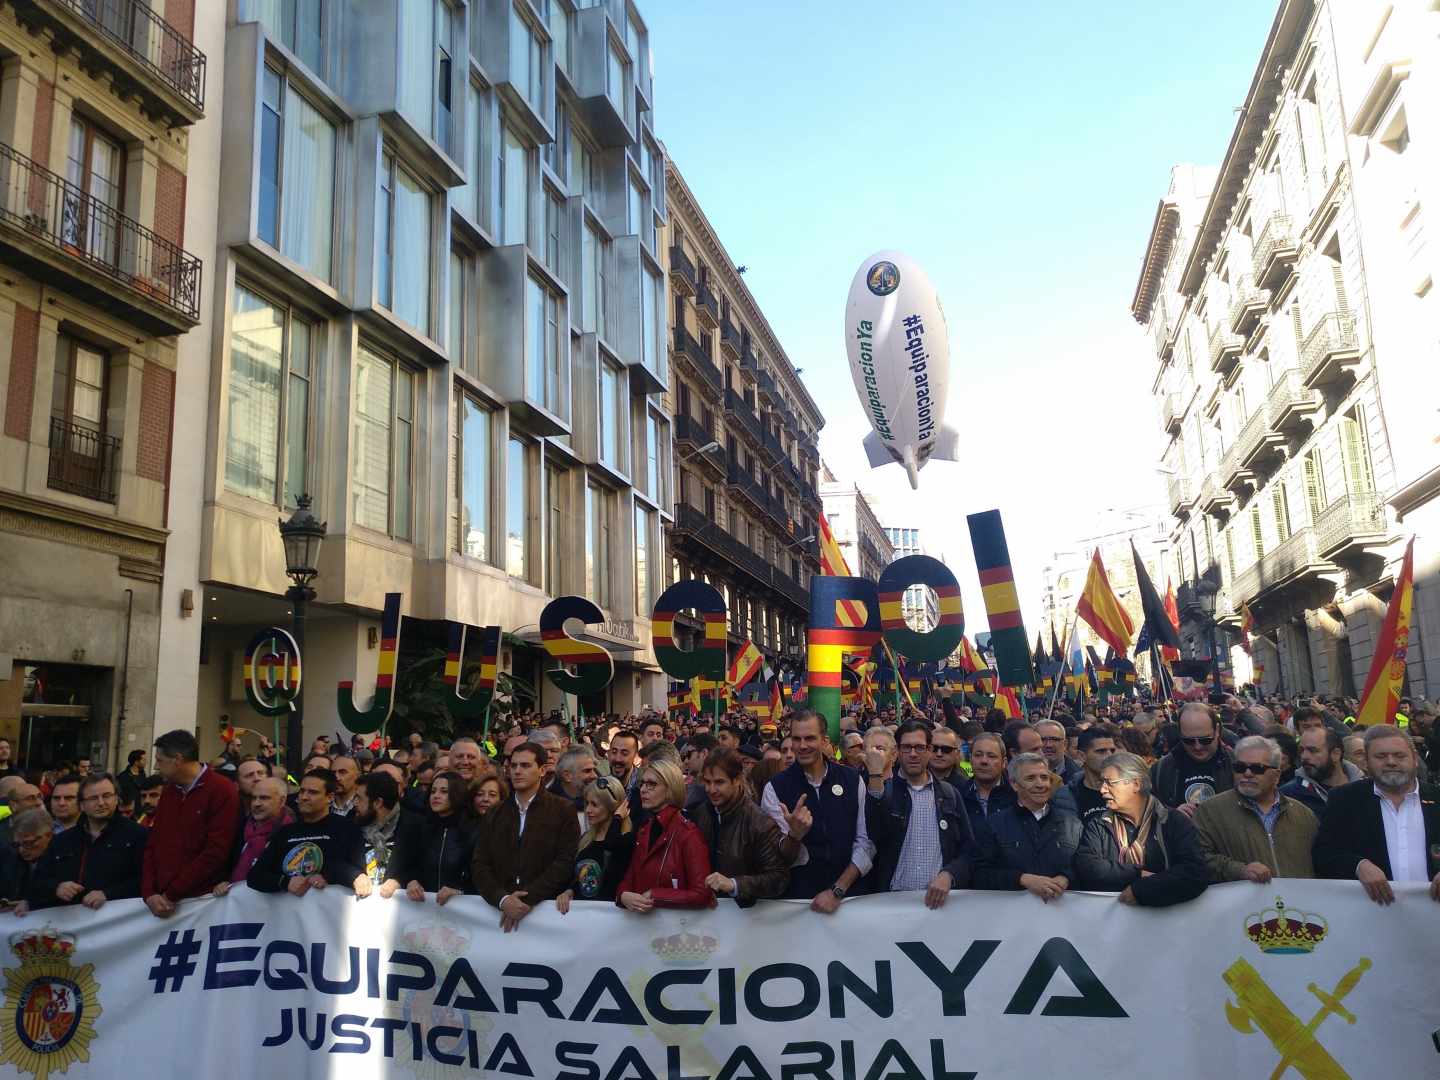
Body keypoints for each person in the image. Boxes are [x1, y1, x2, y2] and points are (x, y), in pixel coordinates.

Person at [1313, 724, 1440, 904]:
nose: (1391, 762)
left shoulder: (1437, 798)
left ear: (1415, 760)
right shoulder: (1344, 800)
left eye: (1399, 755)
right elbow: (1323, 854)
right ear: (1365, 762)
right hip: (1372, 916)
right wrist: (1358, 866)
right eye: (1381, 756)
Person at [761, 712, 874, 912]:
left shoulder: (852, 779)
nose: (802, 746)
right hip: (798, 903)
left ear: (824, 741)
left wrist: (837, 890)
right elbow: (777, 858)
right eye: (797, 739)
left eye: (810, 738)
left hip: (850, 899)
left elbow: (865, 841)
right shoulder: (775, 788)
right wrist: (794, 836)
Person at [866, 721, 982, 908]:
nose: (913, 754)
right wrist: (875, 779)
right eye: (906, 747)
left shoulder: (949, 794)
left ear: (929, 750)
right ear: (897, 752)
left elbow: (969, 850)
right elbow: (873, 837)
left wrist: (949, 874)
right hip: (892, 903)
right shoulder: (883, 793)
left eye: (919, 747)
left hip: (940, 904)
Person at [1073, 751, 1209, 907]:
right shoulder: (1099, 824)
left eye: (1109, 782)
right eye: (1102, 783)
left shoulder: (1173, 821)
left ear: (1136, 784)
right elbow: (1088, 866)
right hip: (1115, 924)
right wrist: (1136, 874)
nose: (1102, 790)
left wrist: (1141, 889)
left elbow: (1194, 873)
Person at [470, 743, 579, 931]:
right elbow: (480, 862)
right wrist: (502, 899)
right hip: (496, 913)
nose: (517, 771)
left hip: (546, 914)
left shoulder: (563, 810)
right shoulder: (495, 812)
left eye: (525, 765)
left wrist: (527, 899)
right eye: (513, 766)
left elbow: (565, 861)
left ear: (542, 770)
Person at [142, 729, 241, 917]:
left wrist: (172, 893)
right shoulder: (170, 791)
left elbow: (216, 851)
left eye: (160, 760)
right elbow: (153, 844)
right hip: (162, 900)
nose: (155, 766)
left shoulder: (221, 790)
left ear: (177, 760)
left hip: (200, 903)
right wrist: (149, 893)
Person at [1192, 736, 1317, 884]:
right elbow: (1196, 858)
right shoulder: (1210, 811)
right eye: (1240, 767)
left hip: (1296, 905)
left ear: (1276, 776)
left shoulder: (1303, 815)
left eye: (1258, 768)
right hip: (1243, 906)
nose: (1247, 773)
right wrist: (1238, 870)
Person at [28, 774, 146, 911]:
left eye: (107, 796)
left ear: (116, 799)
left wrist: (108, 894)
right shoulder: (62, 841)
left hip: (118, 923)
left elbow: (146, 880)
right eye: (93, 798)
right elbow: (38, 881)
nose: (101, 803)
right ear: (82, 805)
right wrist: (57, 887)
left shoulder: (138, 835)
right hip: (71, 924)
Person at [974, 752, 1081, 901]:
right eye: (1031, 778)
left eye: (1044, 778)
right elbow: (979, 873)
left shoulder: (1072, 824)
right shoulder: (995, 824)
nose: (1040, 784)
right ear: (1014, 784)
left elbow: (1082, 865)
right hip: (1011, 918)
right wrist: (1022, 879)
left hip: (1061, 918)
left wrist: (1066, 877)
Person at [247, 769, 368, 896]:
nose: (304, 797)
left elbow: (358, 873)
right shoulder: (285, 832)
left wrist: (329, 876)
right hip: (287, 913)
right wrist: (285, 882)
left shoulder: (347, 828)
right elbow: (255, 876)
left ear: (330, 797)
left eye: (313, 792)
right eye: (302, 791)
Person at [693, 748, 788, 906]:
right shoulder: (700, 813)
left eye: (719, 782)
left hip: (747, 920)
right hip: (706, 916)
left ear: (736, 780)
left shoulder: (760, 823)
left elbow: (778, 878)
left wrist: (734, 884)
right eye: (707, 782)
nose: (711, 789)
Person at [616, 759, 712, 911]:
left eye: (651, 784)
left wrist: (656, 895)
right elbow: (630, 877)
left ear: (670, 789)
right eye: (642, 783)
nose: (643, 789)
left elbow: (702, 894)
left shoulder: (688, 834)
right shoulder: (645, 829)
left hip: (677, 930)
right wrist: (622, 895)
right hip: (641, 928)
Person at [381, 770, 476, 905]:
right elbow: (410, 866)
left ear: (457, 794)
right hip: (424, 908)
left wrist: (460, 891)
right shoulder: (421, 828)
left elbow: (478, 876)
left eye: (444, 791)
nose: (436, 796)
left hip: (461, 910)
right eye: (433, 791)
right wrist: (411, 880)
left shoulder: (472, 830)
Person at [556, 775, 634, 911]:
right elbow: (581, 877)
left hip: (611, 919)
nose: (588, 810)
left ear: (612, 807)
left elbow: (611, 845)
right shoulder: (587, 839)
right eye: (587, 803)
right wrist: (569, 891)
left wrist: (617, 818)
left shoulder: (626, 838)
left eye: (595, 805)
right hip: (584, 916)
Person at [1150, 703, 1234, 813]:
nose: (1197, 746)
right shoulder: (1161, 769)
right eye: (1188, 741)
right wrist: (1172, 815)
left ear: (1217, 731)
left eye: (1205, 740)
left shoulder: (1236, 763)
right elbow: (1150, 809)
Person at [217, 776, 293, 892]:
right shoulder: (239, 827)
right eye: (254, 798)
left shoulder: (291, 834)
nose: (256, 804)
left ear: (282, 801)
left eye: (264, 798)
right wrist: (223, 882)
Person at [1280, 727, 1362, 816]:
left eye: (1313, 750)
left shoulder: (1367, 789)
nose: (1304, 756)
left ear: (1336, 754)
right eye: (1301, 750)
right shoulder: (1289, 796)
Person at [354, 772, 402, 887]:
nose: (354, 803)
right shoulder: (352, 825)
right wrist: (355, 875)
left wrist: (400, 880)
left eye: (359, 799)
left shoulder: (412, 827)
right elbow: (338, 863)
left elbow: (419, 869)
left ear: (377, 803)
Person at [958, 732, 1016, 823]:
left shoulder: (1017, 794)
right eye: (978, 755)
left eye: (991, 756)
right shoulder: (958, 795)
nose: (984, 761)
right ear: (970, 759)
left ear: (1004, 762)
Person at [1, 811, 53, 910]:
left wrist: (31, 902)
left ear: (49, 835)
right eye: (17, 844)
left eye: (29, 843)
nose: (22, 850)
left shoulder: (64, 860)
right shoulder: (11, 859)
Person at [1068, 725, 1118, 825]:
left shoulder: (1127, 792)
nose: (1109, 756)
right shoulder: (1066, 796)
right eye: (1101, 751)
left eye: (1112, 751)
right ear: (1082, 756)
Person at [1035, 719, 1080, 784]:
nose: (1048, 745)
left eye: (1054, 739)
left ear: (1065, 744)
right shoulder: (1019, 774)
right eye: (1042, 739)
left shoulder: (1079, 779)